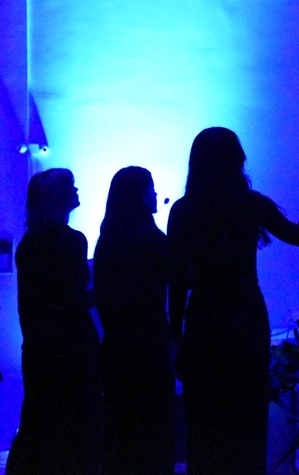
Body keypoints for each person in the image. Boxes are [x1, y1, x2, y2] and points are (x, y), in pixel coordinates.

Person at [167, 127, 299, 474]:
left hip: (203, 320)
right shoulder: (251, 203)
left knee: (205, 423)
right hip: (245, 317)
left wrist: (176, 337)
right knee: (246, 417)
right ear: (236, 160)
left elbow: (178, 281)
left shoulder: (182, 210)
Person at [6, 168, 101, 475]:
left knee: (37, 422)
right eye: (71, 186)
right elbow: (73, 298)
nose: (77, 190)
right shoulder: (72, 240)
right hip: (74, 347)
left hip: (38, 348)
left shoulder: (27, 245)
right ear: (59, 197)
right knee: (76, 425)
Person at [93, 166, 176, 475]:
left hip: (115, 346)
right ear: (142, 196)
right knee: (154, 434)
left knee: (120, 433)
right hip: (151, 345)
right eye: (151, 189)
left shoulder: (106, 241)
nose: (155, 194)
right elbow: (181, 276)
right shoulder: (153, 239)